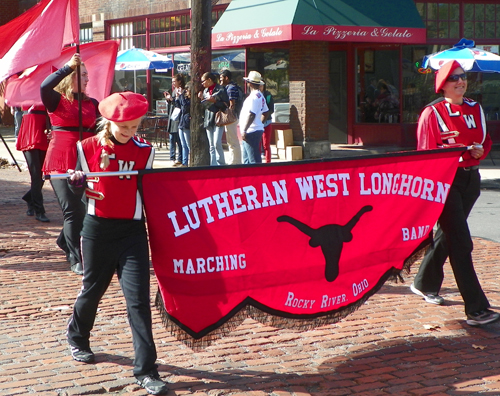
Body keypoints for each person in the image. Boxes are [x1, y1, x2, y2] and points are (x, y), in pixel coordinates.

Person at [66, 92, 169, 395]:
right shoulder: (86, 148)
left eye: (135, 127)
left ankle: (147, 370)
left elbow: (151, 192)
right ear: (108, 121)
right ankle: (77, 338)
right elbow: (75, 196)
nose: (130, 133)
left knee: (138, 301)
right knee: (92, 291)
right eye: (124, 128)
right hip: (97, 231)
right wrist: (76, 185)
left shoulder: (145, 151)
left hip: (132, 233)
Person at [410, 60, 500, 326]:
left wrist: (478, 152)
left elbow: (486, 141)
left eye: (463, 77)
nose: (460, 82)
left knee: (449, 235)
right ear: (443, 85)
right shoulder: (432, 113)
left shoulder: (475, 107)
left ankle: (424, 281)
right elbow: (426, 155)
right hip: (445, 183)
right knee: (461, 242)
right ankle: (476, 309)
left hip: (471, 180)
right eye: (454, 78)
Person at [41, 53, 99, 275]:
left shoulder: (93, 103)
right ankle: (75, 257)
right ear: (71, 77)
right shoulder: (56, 100)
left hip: (85, 162)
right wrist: (66, 67)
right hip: (60, 161)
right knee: (73, 210)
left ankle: (64, 240)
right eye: (82, 74)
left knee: (84, 209)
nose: (87, 78)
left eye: (87, 75)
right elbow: (45, 87)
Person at [15, 104, 50, 222]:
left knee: (43, 175)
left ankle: (30, 198)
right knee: (36, 176)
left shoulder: (47, 93)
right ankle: (39, 210)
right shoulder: (26, 92)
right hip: (29, 135)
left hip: (44, 134)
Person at [198, 72, 229, 166]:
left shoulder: (221, 89)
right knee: (211, 145)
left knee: (217, 142)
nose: (202, 83)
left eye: (203, 81)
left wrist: (215, 101)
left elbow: (226, 105)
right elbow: (204, 107)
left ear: (209, 80)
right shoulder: (205, 91)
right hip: (208, 119)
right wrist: (202, 99)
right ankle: (213, 165)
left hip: (218, 119)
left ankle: (221, 164)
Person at [239, 71, 268, 164]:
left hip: (250, 131)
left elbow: (252, 114)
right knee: (248, 159)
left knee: (252, 159)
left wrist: (244, 130)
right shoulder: (260, 96)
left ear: (250, 83)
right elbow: (266, 112)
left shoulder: (253, 97)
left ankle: (257, 177)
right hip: (254, 130)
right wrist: (260, 123)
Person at [219, 69, 242, 164]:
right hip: (235, 116)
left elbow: (232, 104)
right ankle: (234, 160)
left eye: (221, 78)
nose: (220, 80)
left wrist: (228, 112)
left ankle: (235, 162)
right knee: (232, 140)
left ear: (226, 78)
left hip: (232, 117)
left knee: (232, 140)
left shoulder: (230, 88)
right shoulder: (233, 86)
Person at [163, 74, 184, 166]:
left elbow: (180, 105)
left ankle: (180, 158)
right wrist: (168, 100)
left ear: (179, 81)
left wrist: (173, 99)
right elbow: (173, 104)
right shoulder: (174, 91)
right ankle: (172, 158)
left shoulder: (183, 91)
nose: (173, 83)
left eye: (174, 81)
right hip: (173, 116)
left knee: (179, 139)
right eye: (172, 82)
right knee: (172, 139)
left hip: (179, 117)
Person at [175, 82, 191, 167]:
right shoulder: (183, 98)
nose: (186, 92)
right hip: (181, 122)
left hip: (187, 123)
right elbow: (178, 107)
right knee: (183, 144)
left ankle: (190, 161)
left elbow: (185, 108)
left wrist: (181, 96)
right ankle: (185, 163)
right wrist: (177, 98)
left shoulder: (190, 100)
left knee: (188, 144)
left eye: (187, 91)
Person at [259, 80, 275, 163]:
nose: (260, 87)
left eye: (261, 85)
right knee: (257, 144)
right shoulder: (254, 96)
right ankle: (257, 164)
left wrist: (265, 114)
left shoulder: (268, 95)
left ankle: (268, 162)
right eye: (258, 85)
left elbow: (271, 109)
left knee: (266, 144)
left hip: (267, 122)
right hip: (257, 123)